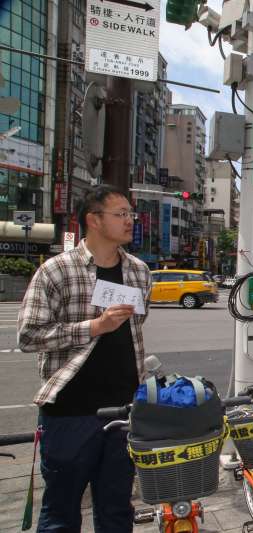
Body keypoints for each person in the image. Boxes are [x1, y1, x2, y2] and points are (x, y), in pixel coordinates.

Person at [17, 185, 152, 532]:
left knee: (118, 510)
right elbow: (30, 335)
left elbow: (135, 331)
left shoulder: (139, 271)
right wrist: (94, 326)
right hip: (69, 412)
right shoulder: (56, 270)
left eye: (130, 214)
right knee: (61, 512)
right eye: (120, 214)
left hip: (123, 412)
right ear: (93, 220)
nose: (129, 221)